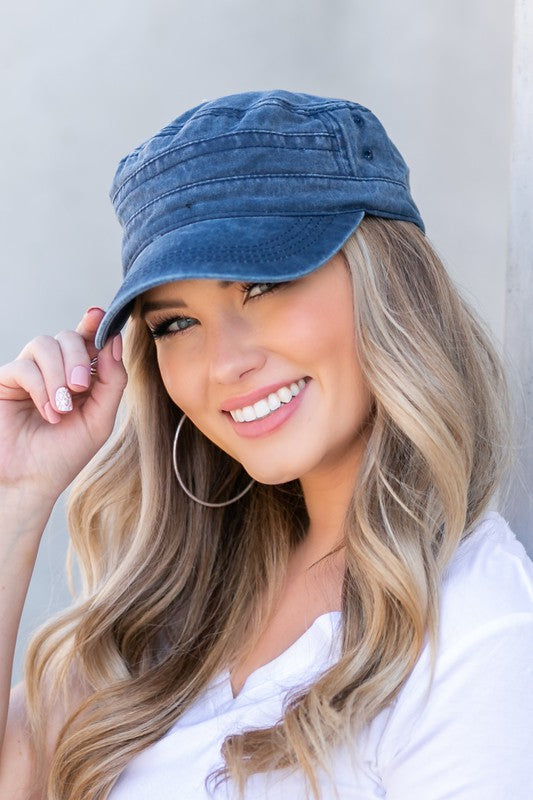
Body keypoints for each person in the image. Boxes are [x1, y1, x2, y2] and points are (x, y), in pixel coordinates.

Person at [0, 90, 531, 800]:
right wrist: (15, 499)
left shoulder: (475, 633)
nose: (225, 363)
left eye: (263, 284)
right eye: (176, 325)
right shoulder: (171, 611)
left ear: (387, 285)